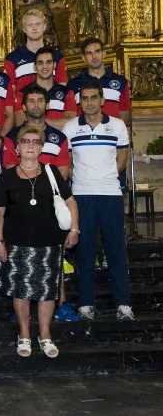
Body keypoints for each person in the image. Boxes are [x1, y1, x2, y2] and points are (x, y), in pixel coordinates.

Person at [0, 126, 79, 358]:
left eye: (35, 142)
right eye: (25, 141)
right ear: (17, 148)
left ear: (41, 147)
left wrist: (74, 229)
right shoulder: (7, 176)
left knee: (47, 292)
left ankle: (45, 335)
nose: (30, 145)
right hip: (16, 244)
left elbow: (70, 202)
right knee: (20, 291)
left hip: (49, 244)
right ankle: (24, 335)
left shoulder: (51, 172)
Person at [62, 80, 134, 321]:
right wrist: (81, 178)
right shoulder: (71, 127)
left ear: (102, 100)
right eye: (86, 98)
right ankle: (85, 304)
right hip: (82, 196)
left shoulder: (117, 125)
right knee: (84, 252)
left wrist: (105, 177)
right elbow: (67, 161)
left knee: (116, 250)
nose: (90, 102)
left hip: (111, 194)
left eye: (94, 97)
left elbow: (122, 158)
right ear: (80, 102)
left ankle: (123, 304)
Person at [4, 86, 70, 179]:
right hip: (22, 191)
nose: (36, 105)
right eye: (31, 101)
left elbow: (63, 174)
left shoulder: (61, 138)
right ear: (24, 107)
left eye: (40, 100)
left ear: (47, 105)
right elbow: (11, 174)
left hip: (51, 192)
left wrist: (42, 189)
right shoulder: (12, 137)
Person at [67, 37, 130, 125]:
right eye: (89, 53)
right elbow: (71, 117)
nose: (94, 56)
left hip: (112, 135)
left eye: (97, 51)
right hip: (84, 135)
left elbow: (125, 116)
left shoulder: (121, 81)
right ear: (83, 58)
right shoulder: (73, 84)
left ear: (104, 54)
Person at [4, 9, 67, 94]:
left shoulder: (57, 56)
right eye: (30, 25)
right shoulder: (12, 58)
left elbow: (62, 87)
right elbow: (10, 93)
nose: (34, 28)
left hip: (51, 105)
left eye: (38, 24)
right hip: (22, 106)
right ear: (24, 29)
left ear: (44, 26)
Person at [14, 46, 76, 129]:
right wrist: (56, 124)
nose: (45, 67)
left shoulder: (67, 93)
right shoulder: (22, 94)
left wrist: (39, 121)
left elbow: (72, 123)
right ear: (35, 66)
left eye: (48, 62)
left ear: (54, 65)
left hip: (59, 141)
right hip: (32, 141)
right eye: (40, 63)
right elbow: (20, 123)